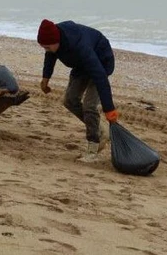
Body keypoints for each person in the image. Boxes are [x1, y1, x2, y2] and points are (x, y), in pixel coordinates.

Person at [37, 19, 118, 163]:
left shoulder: (81, 47)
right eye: (44, 47)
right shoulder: (54, 38)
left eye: (48, 47)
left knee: (89, 106)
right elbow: (50, 55)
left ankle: (93, 149)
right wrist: (46, 78)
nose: (46, 50)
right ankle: (100, 129)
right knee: (70, 100)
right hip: (80, 65)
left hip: (101, 62)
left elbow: (101, 79)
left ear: (57, 42)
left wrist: (109, 110)